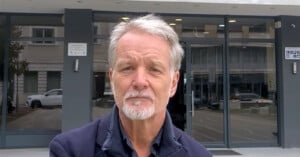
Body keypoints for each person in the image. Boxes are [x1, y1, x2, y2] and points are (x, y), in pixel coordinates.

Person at [49, 14, 212, 157]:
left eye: (154, 69)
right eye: (128, 68)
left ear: (173, 83)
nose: (140, 82)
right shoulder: (69, 150)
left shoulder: (198, 155)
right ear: (112, 79)